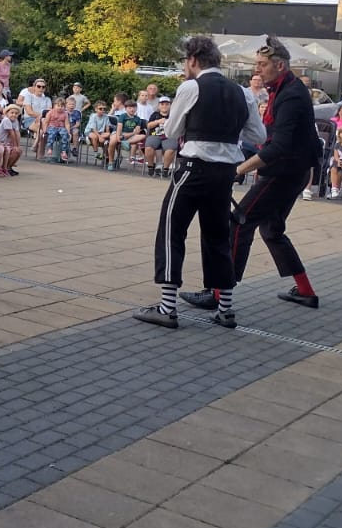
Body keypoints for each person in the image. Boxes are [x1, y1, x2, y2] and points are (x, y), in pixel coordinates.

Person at [135, 35, 265, 330]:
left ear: (193, 60)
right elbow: (259, 136)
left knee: (171, 231)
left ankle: (167, 308)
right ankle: (225, 310)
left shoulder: (191, 87)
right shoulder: (243, 93)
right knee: (218, 236)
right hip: (225, 173)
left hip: (194, 169)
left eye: (186, 61)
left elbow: (172, 130)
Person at [204, 36, 321, 312]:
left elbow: (279, 146)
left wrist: (238, 169)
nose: (257, 70)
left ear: (279, 65)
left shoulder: (291, 95)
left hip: (284, 172)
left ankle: (220, 293)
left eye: (262, 64)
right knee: (272, 230)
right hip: (293, 170)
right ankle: (306, 291)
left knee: (239, 222)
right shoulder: (285, 88)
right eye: (256, 64)